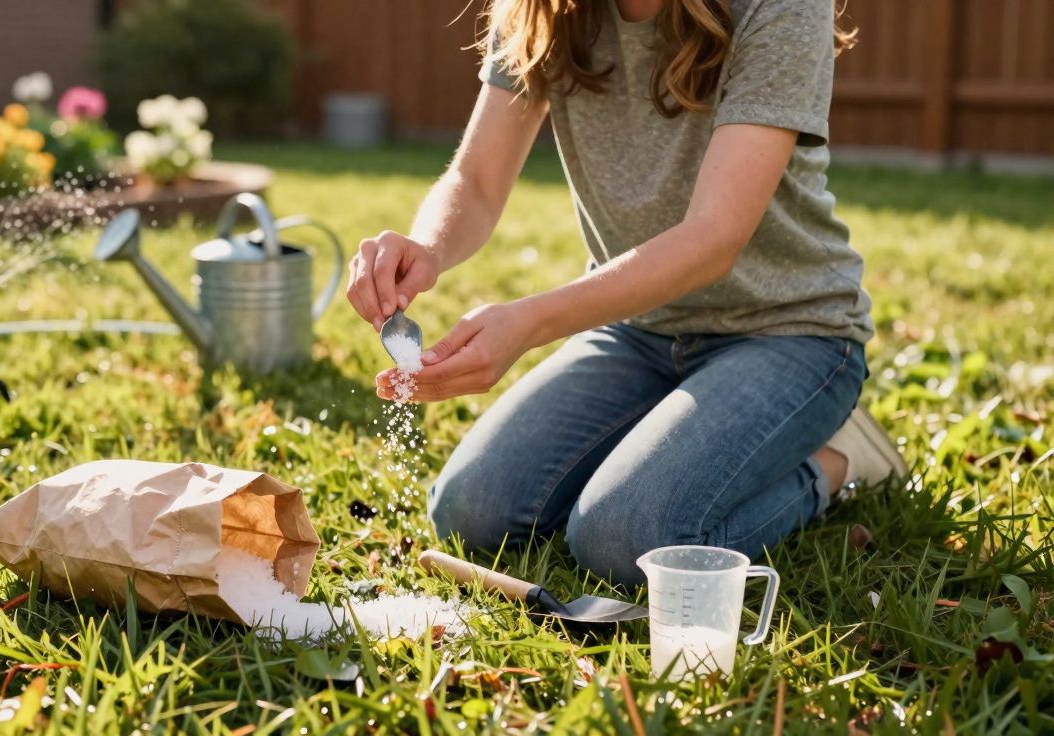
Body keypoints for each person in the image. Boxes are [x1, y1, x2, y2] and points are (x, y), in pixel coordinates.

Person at [345, 0, 907, 585]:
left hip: (789, 334)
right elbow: (478, 181)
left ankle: (837, 462)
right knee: (471, 512)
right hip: (636, 330)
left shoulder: (780, 7)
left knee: (623, 541)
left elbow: (714, 238)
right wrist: (426, 246)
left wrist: (530, 323)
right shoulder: (542, 10)